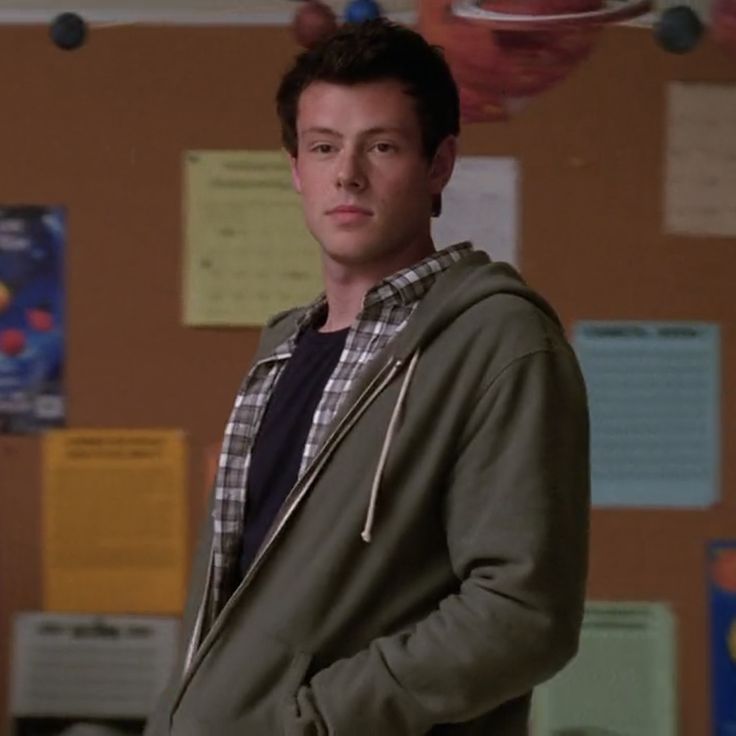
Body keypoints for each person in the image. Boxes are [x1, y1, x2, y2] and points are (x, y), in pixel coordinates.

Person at [145, 18, 590, 736]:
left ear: (439, 163)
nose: (346, 174)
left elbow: (523, 613)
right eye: (324, 147)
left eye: (380, 146)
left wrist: (314, 720)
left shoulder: (498, 342)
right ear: (296, 168)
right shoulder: (281, 354)